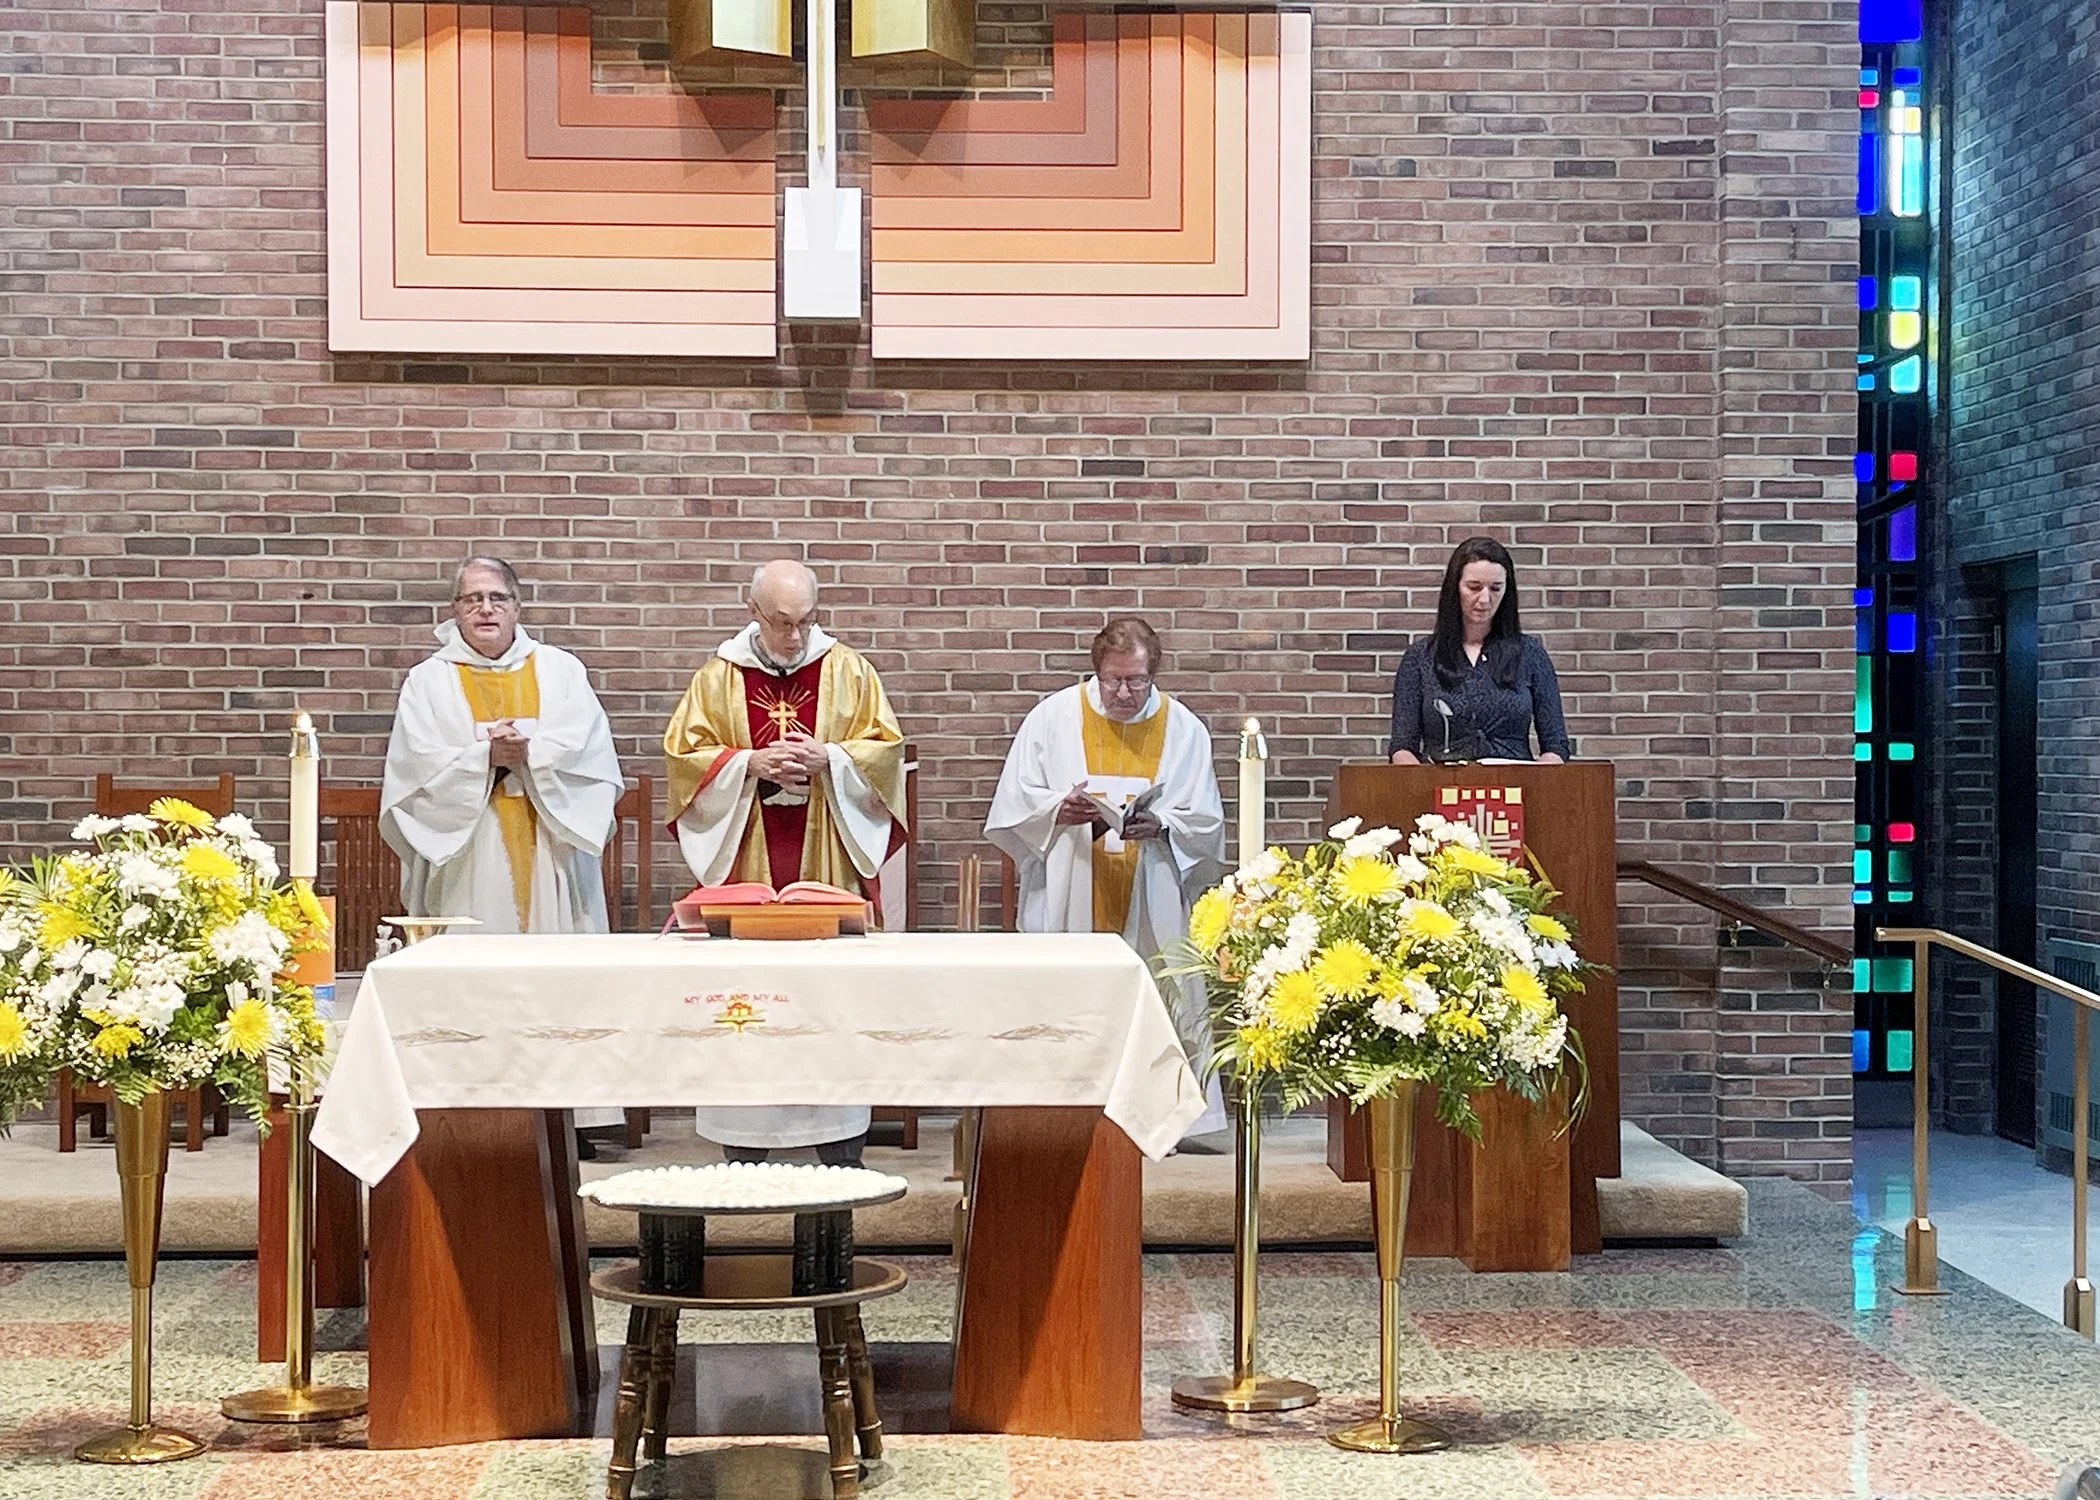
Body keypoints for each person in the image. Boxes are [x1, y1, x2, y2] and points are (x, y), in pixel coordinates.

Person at [662, 559, 908, 1165]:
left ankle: (838, 1133)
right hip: (747, 860)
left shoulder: (850, 671)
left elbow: (887, 752)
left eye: (806, 622)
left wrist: (834, 759)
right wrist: (748, 764)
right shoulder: (718, 678)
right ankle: (744, 1142)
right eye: (780, 623)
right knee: (748, 991)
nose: (795, 636)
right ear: (753, 612)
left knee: (826, 992)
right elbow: (682, 756)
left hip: (827, 858)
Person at [379, 556, 628, 1151]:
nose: (485, 610)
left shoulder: (561, 671)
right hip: (472, 847)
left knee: (558, 976)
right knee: (473, 973)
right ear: (454, 610)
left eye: (496, 598)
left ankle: (568, 1119)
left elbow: (591, 755)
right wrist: (482, 759)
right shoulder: (428, 681)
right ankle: (467, 1107)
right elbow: (415, 768)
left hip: (549, 845)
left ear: (517, 606)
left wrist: (530, 755)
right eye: (472, 600)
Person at [984, 617, 1228, 1138]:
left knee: (1160, 996)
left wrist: (1163, 823)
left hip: (1152, 888)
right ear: (1095, 671)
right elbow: (1011, 804)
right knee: (1064, 996)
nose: (1123, 692)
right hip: (1070, 887)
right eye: (1112, 680)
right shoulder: (1052, 717)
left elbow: (1206, 819)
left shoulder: (1183, 728)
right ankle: (1060, 1109)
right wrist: (1057, 809)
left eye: (1136, 681)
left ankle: (1167, 1120)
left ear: (1154, 672)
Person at [1388, 536, 1570, 765]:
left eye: (1495, 588)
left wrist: (1538, 783)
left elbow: (1555, 744)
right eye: (1474, 587)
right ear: (1455, 587)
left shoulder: (1531, 654)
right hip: (1439, 790)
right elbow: (1402, 746)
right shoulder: (1420, 657)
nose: (1484, 599)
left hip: (1513, 789)